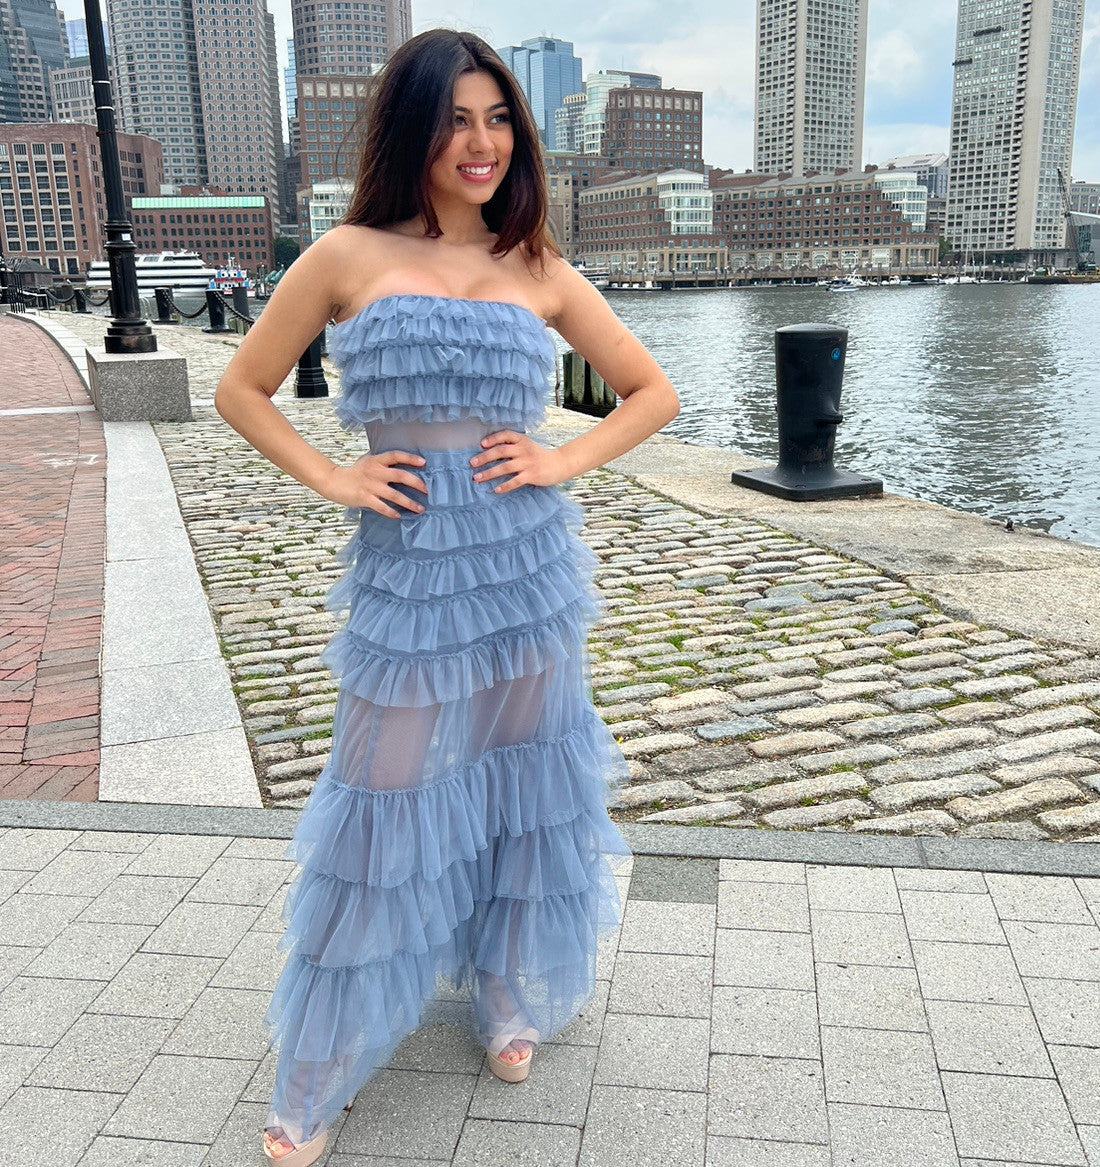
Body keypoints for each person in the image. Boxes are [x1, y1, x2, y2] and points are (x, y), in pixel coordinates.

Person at [215, 28, 679, 1167]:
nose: (481, 142)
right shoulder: (345, 254)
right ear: (412, 130)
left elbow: (649, 391)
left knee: (527, 785)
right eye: (456, 119)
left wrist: (559, 460)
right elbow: (242, 387)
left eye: (498, 118)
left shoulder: (537, 264)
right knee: (382, 803)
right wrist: (336, 476)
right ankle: (318, 1068)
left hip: (525, 571)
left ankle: (511, 991)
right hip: (411, 578)